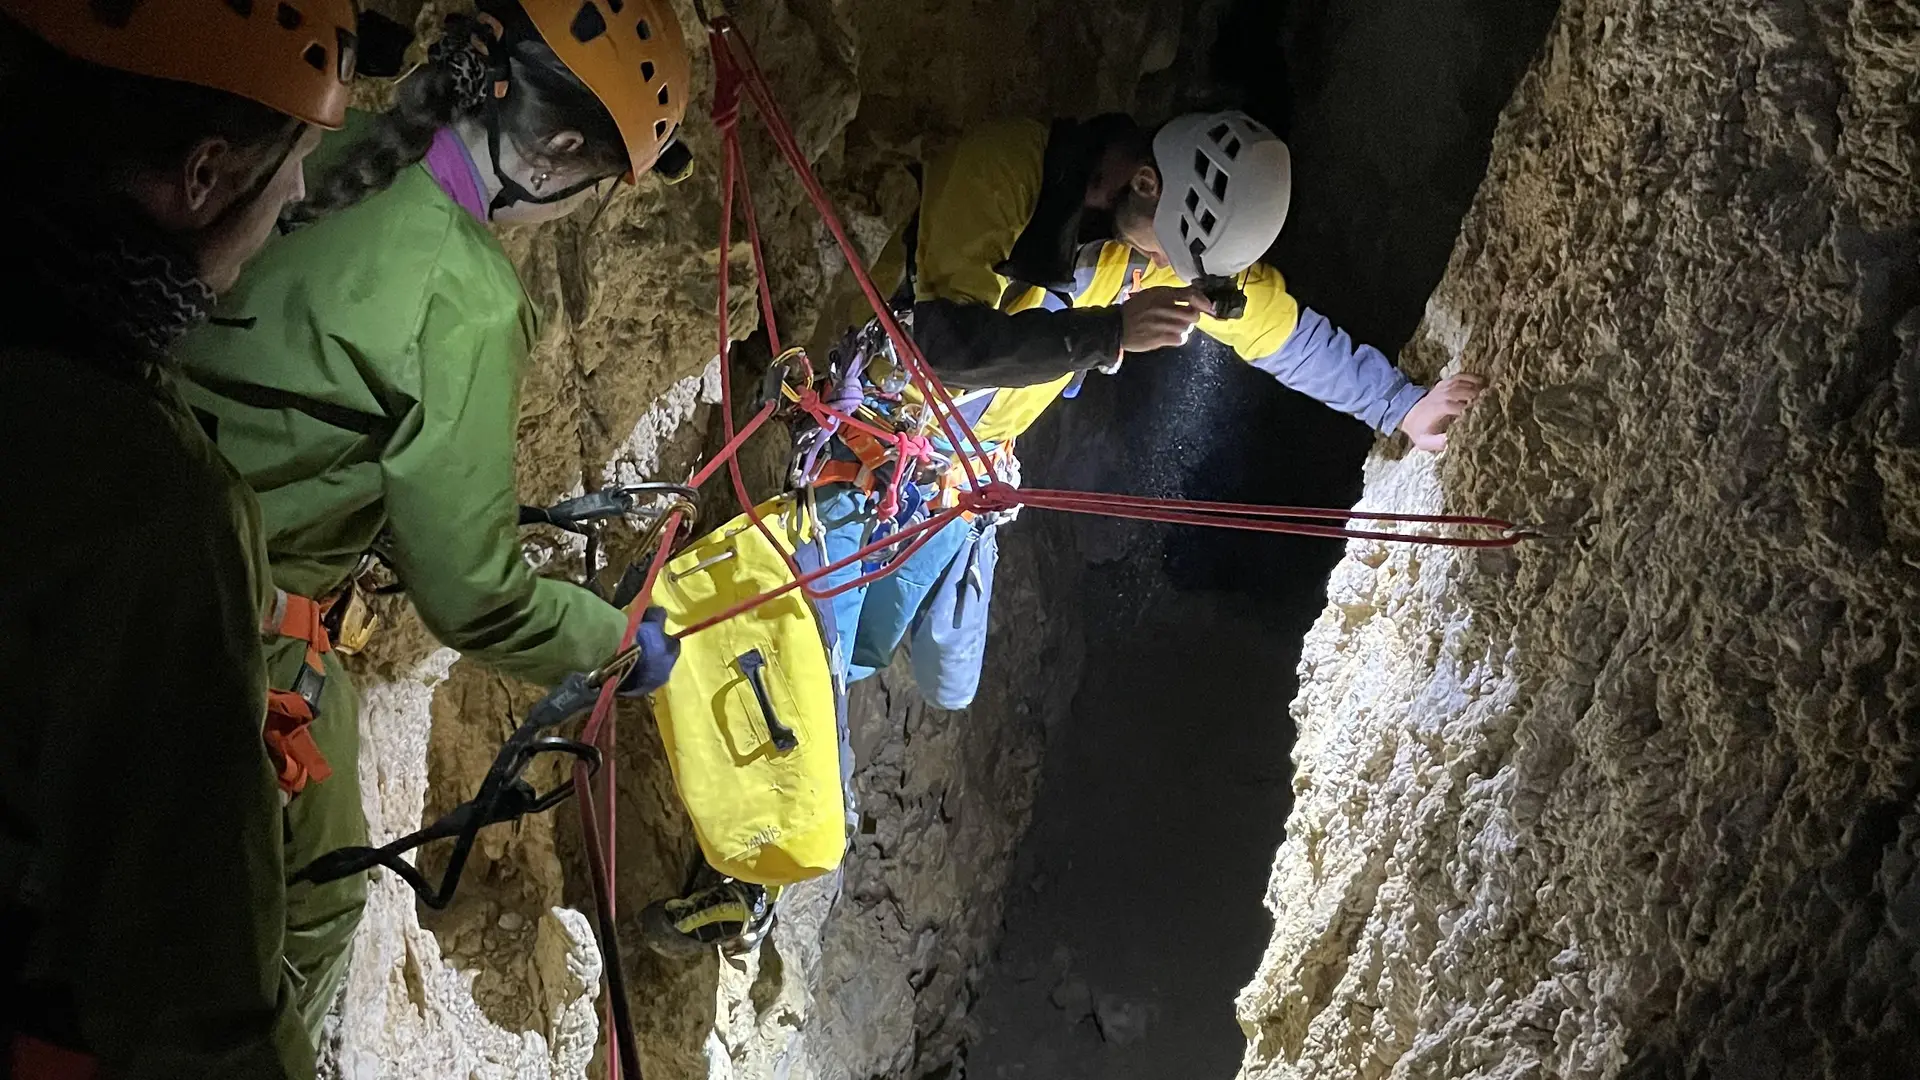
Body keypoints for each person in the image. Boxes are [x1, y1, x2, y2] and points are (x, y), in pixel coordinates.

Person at [169, 0, 689, 1036]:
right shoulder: (466, 297)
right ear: (555, 152)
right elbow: (475, 594)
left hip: (142, 502)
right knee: (313, 891)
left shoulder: (334, 147)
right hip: (227, 619)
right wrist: (612, 644)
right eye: (587, 188)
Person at [812, 110, 1487, 710]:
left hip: (961, 471)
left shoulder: (1161, 249)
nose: (1171, 268)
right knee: (822, 660)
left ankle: (856, 652)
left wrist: (1400, 405)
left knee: (947, 683)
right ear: (1144, 185)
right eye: (1172, 252)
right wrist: (1110, 334)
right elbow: (940, 346)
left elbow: (1283, 334)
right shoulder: (1006, 173)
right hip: (882, 426)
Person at [0, 0, 356, 1074]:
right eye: (288, 164)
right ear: (202, 177)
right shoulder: (153, 510)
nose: (295, 195)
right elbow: (196, 1005)